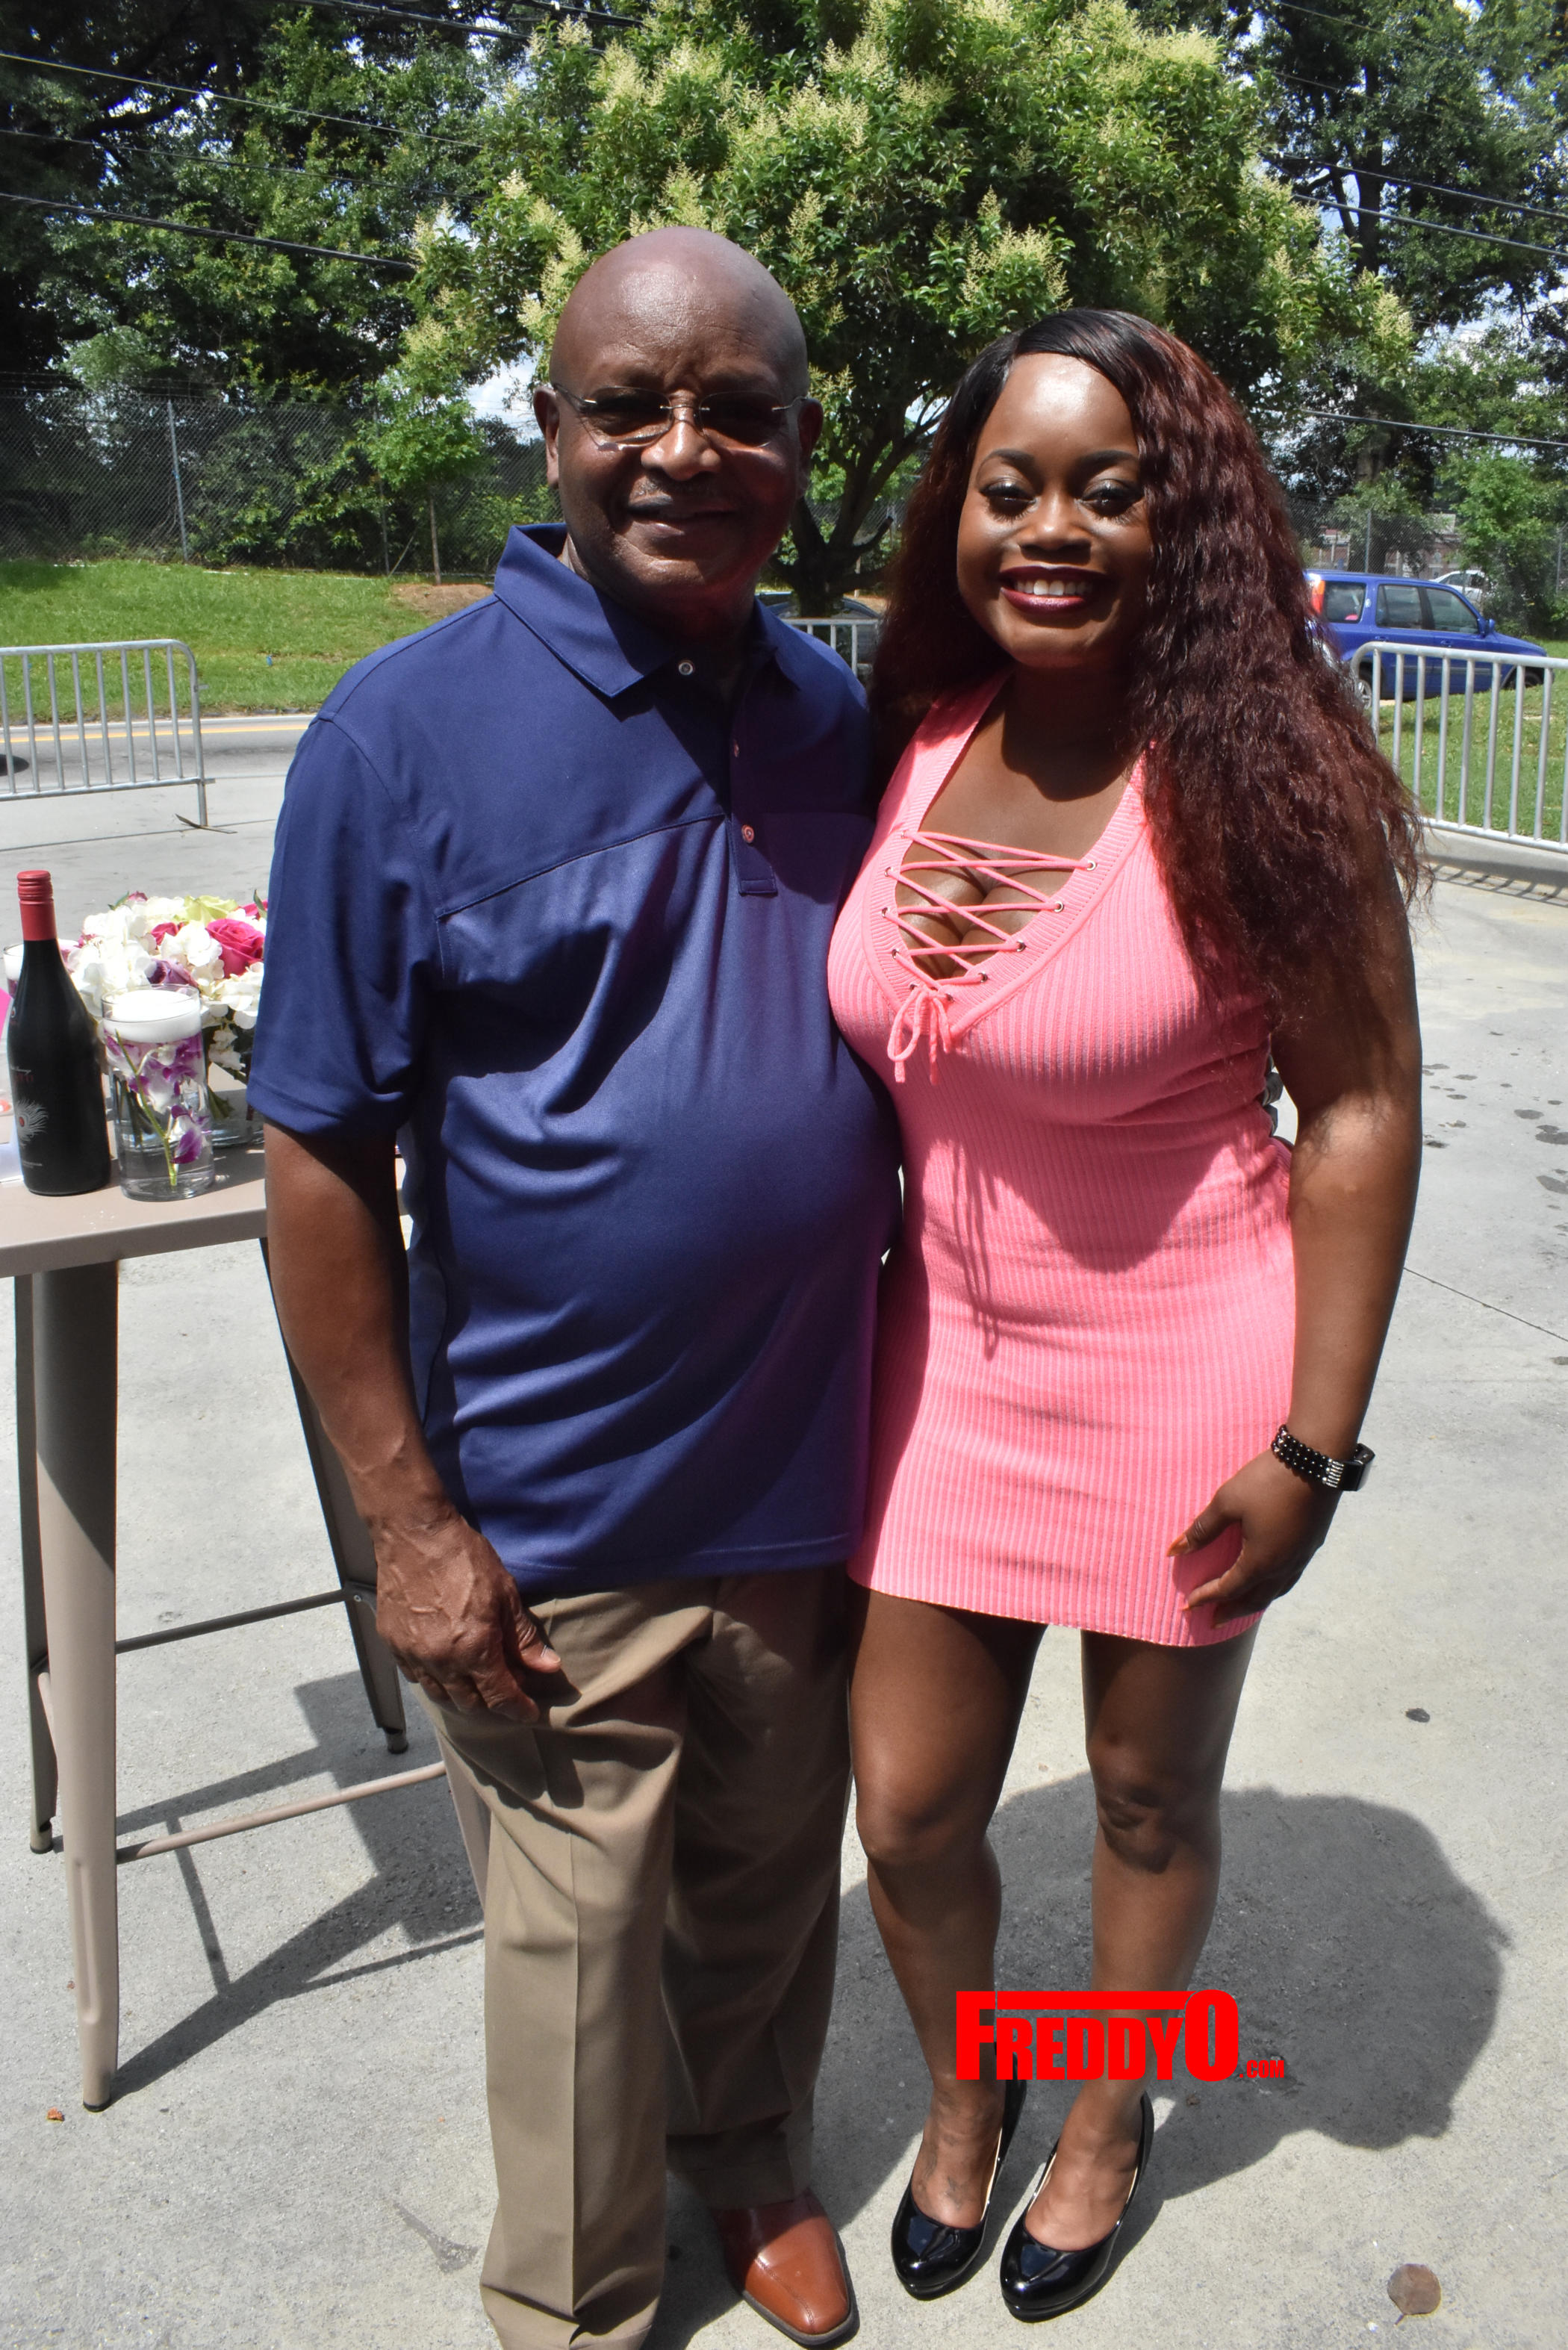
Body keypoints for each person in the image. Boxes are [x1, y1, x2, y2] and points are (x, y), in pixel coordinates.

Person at [250, 227, 900, 2350]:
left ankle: (755, 2165)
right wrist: (407, 1522)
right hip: (546, 1501)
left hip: (802, 1478)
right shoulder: (400, 737)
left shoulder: (840, 720)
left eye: (738, 412)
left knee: (763, 1886)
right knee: (572, 1968)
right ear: (552, 431)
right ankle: (577, 2302)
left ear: (804, 446)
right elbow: (318, 1148)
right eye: (629, 405)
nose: (682, 450)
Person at [827, 310, 1423, 2322]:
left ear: (1191, 523)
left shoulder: (1259, 779)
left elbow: (1358, 1109)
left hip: (1190, 1373)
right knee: (909, 1807)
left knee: (1151, 1801)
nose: (1052, 528)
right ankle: (969, 2085)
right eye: (1011, 487)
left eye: (1109, 489)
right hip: (944, 1367)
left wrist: (1312, 1443)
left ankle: (1101, 2117)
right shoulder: (920, 732)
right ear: (958, 511)